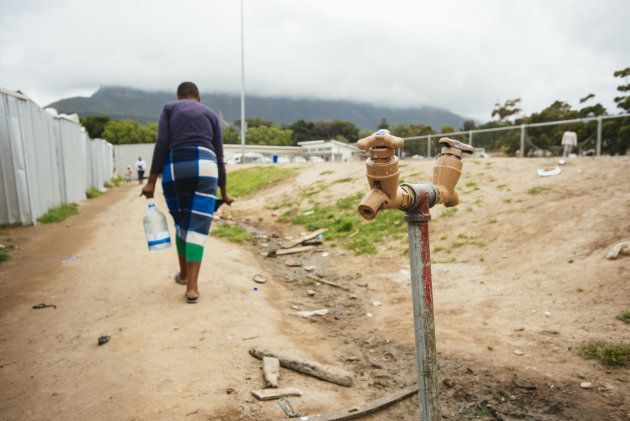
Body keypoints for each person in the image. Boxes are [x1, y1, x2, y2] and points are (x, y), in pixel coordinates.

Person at [141, 82, 233, 303]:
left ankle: (183, 275)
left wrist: (151, 182)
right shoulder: (211, 114)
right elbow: (219, 156)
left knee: (181, 222)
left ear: (179, 96)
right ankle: (192, 288)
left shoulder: (169, 108)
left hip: (176, 166)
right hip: (206, 166)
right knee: (197, 226)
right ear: (197, 97)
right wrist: (225, 191)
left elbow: (162, 142)